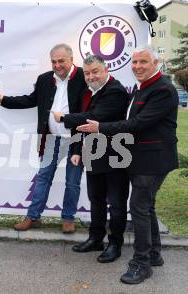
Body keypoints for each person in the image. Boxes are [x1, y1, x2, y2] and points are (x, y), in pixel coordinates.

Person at [77, 45, 178, 284]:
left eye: (143, 62)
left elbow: (138, 123)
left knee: (139, 208)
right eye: (134, 62)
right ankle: (154, 255)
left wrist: (100, 127)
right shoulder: (142, 88)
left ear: (156, 63)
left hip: (152, 160)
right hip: (142, 158)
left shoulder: (162, 89)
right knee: (147, 207)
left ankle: (141, 264)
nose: (137, 67)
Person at [0, 43, 86, 233]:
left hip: (76, 140)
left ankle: (68, 218)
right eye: (54, 61)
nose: (57, 65)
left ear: (71, 60)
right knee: (43, 178)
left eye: (61, 61)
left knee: (72, 181)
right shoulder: (44, 79)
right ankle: (33, 216)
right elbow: (31, 99)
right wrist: (5, 101)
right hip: (50, 139)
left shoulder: (84, 78)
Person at [52, 55, 130, 263]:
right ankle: (96, 238)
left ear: (106, 69)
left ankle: (115, 244)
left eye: (95, 71)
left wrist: (63, 118)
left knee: (116, 202)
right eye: (87, 73)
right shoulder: (87, 92)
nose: (91, 76)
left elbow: (94, 117)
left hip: (116, 154)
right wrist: (77, 150)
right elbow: (82, 125)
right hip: (93, 153)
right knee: (96, 199)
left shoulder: (116, 91)